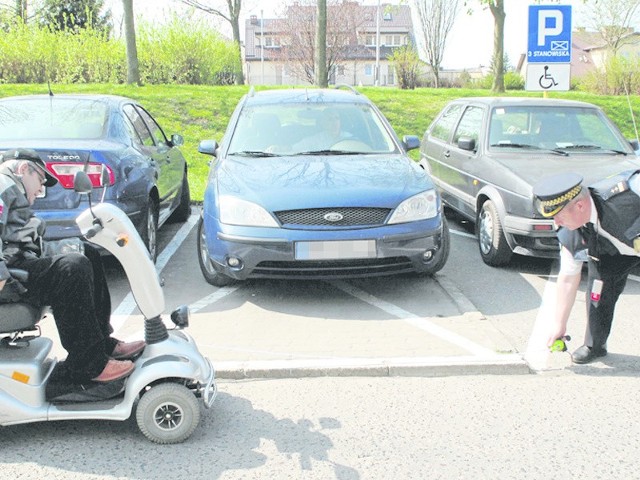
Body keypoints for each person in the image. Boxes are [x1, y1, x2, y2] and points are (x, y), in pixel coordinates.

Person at [0, 148, 145, 383]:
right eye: (40, 180)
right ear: (23, 169)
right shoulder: (3, 184)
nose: (40, 189)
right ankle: (88, 365)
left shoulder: (10, 190)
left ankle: (102, 343)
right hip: (9, 276)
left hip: (20, 263)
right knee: (72, 268)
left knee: (84, 251)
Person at [532, 170, 640, 364]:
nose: (556, 223)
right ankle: (594, 345)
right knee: (597, 293)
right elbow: (567, 279)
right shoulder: (570, 230)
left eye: (559, 216)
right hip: (612, 253)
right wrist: (559, 324)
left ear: (580, 205)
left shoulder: (630, 193)